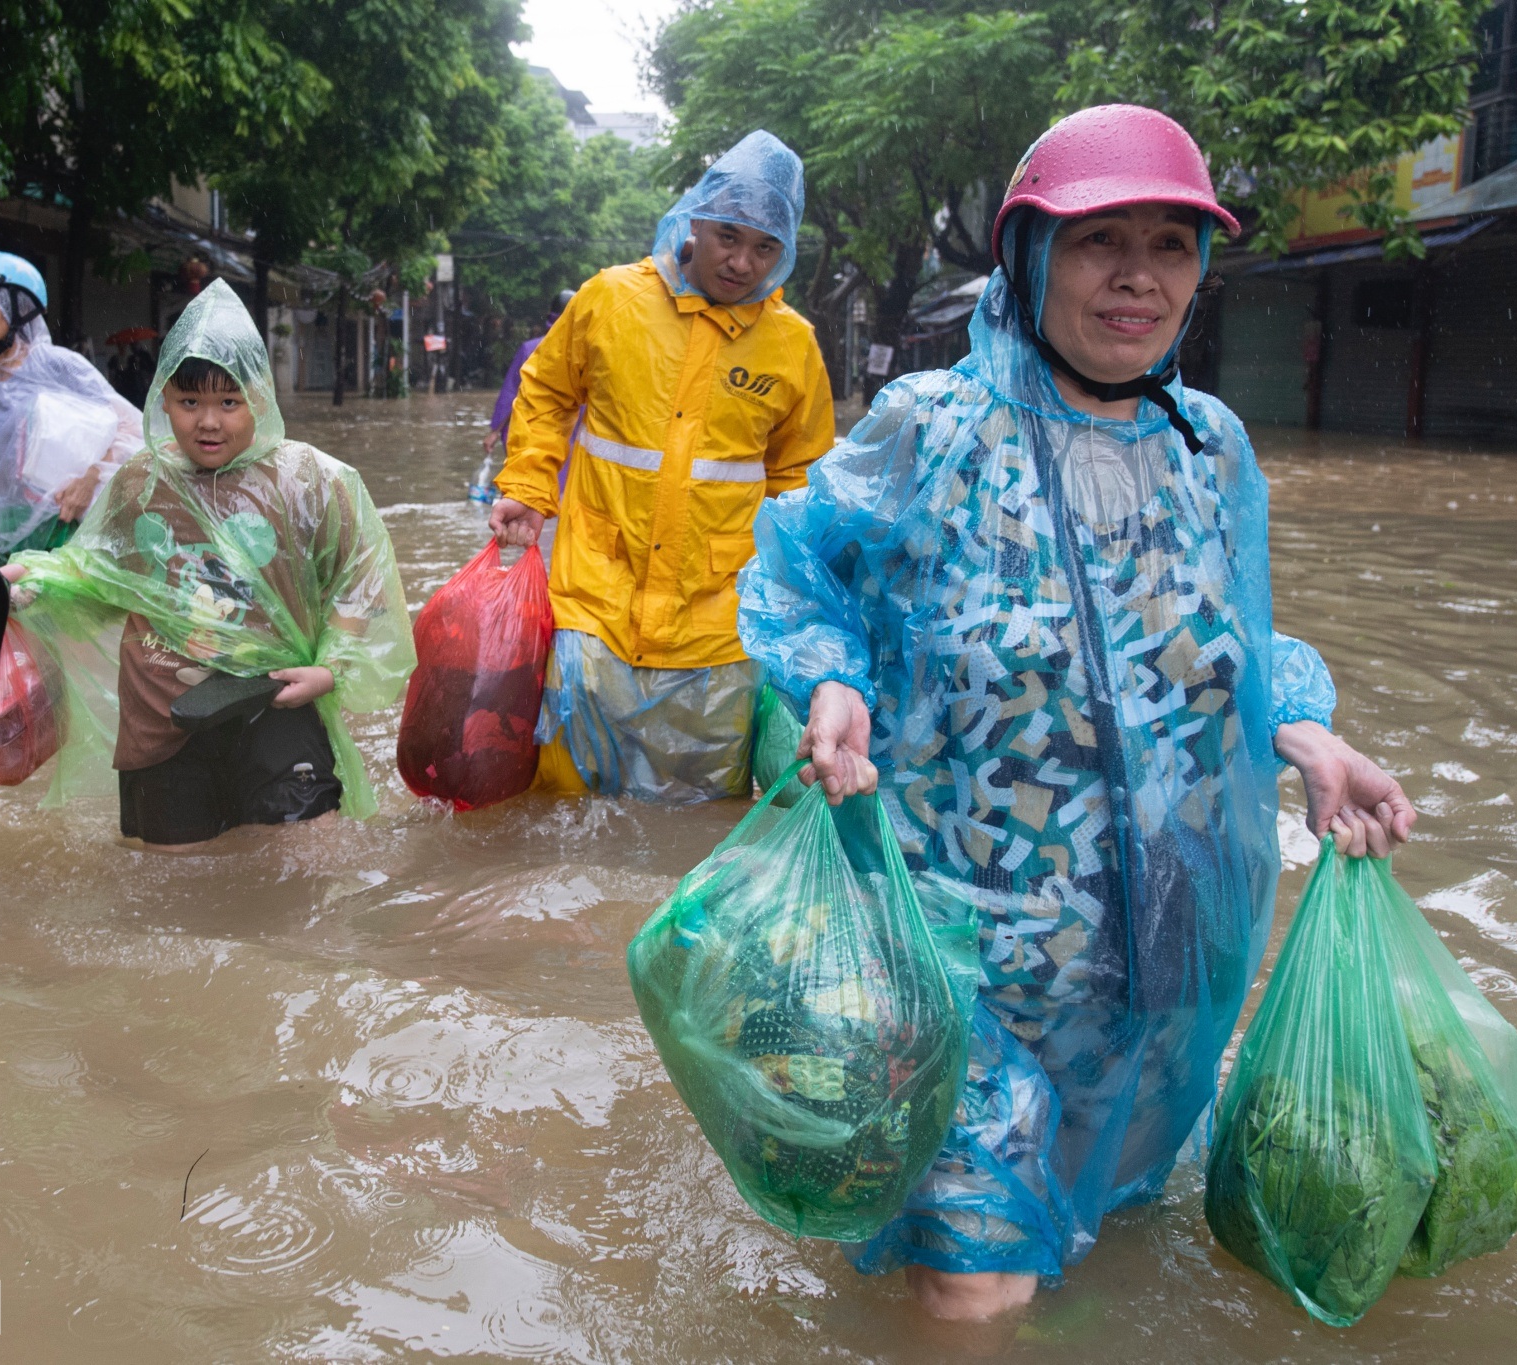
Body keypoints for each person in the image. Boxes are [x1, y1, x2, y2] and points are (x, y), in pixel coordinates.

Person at [737, 106, 1419, 1322]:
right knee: (975, 1278)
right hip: (964, 964)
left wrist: (1307, 733)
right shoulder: (930, 432)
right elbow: (797, 573)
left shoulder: (1207, 447)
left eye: (1168, 243)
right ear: (1027, 256)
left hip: (1160, 966)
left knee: (1109, 1235)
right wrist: (832, 679)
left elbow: (1228, 640)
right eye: (1100, 239)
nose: (1136, 277)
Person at [1, 279, 415, 849]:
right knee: (178, 881)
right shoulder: (141, 483)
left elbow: (360, 577)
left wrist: (332, 668)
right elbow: (101, 576)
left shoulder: (312, 480)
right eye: (189, 402)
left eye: (229, 401)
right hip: (162, 708)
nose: (209, 422)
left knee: (309, 864)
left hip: (277, 700)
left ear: (261, 398)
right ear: (162, 399)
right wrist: (36, 581)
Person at [488, 130, 836, 803]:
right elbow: (547, 389)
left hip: (718, 625)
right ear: (695, 220)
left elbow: (803, 479)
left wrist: (801, 610)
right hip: (594, 597)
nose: (742, 262)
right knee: (562, 806)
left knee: (702, 818)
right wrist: (530, 487)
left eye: (765, 247)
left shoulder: (793, 345)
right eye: (728, 236)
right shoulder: (610, 301)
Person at [0, 252, 142, 564]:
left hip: (65, 535)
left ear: (18, 307)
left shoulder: (59, 367)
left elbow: (133, 430)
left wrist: (91, 478)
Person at [484, 289, 577, 458]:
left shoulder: (530, 349)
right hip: (569, 439)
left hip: (532, 435)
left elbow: (511, 393)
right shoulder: (585, 353)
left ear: (550, 314)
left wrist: (494, 431)